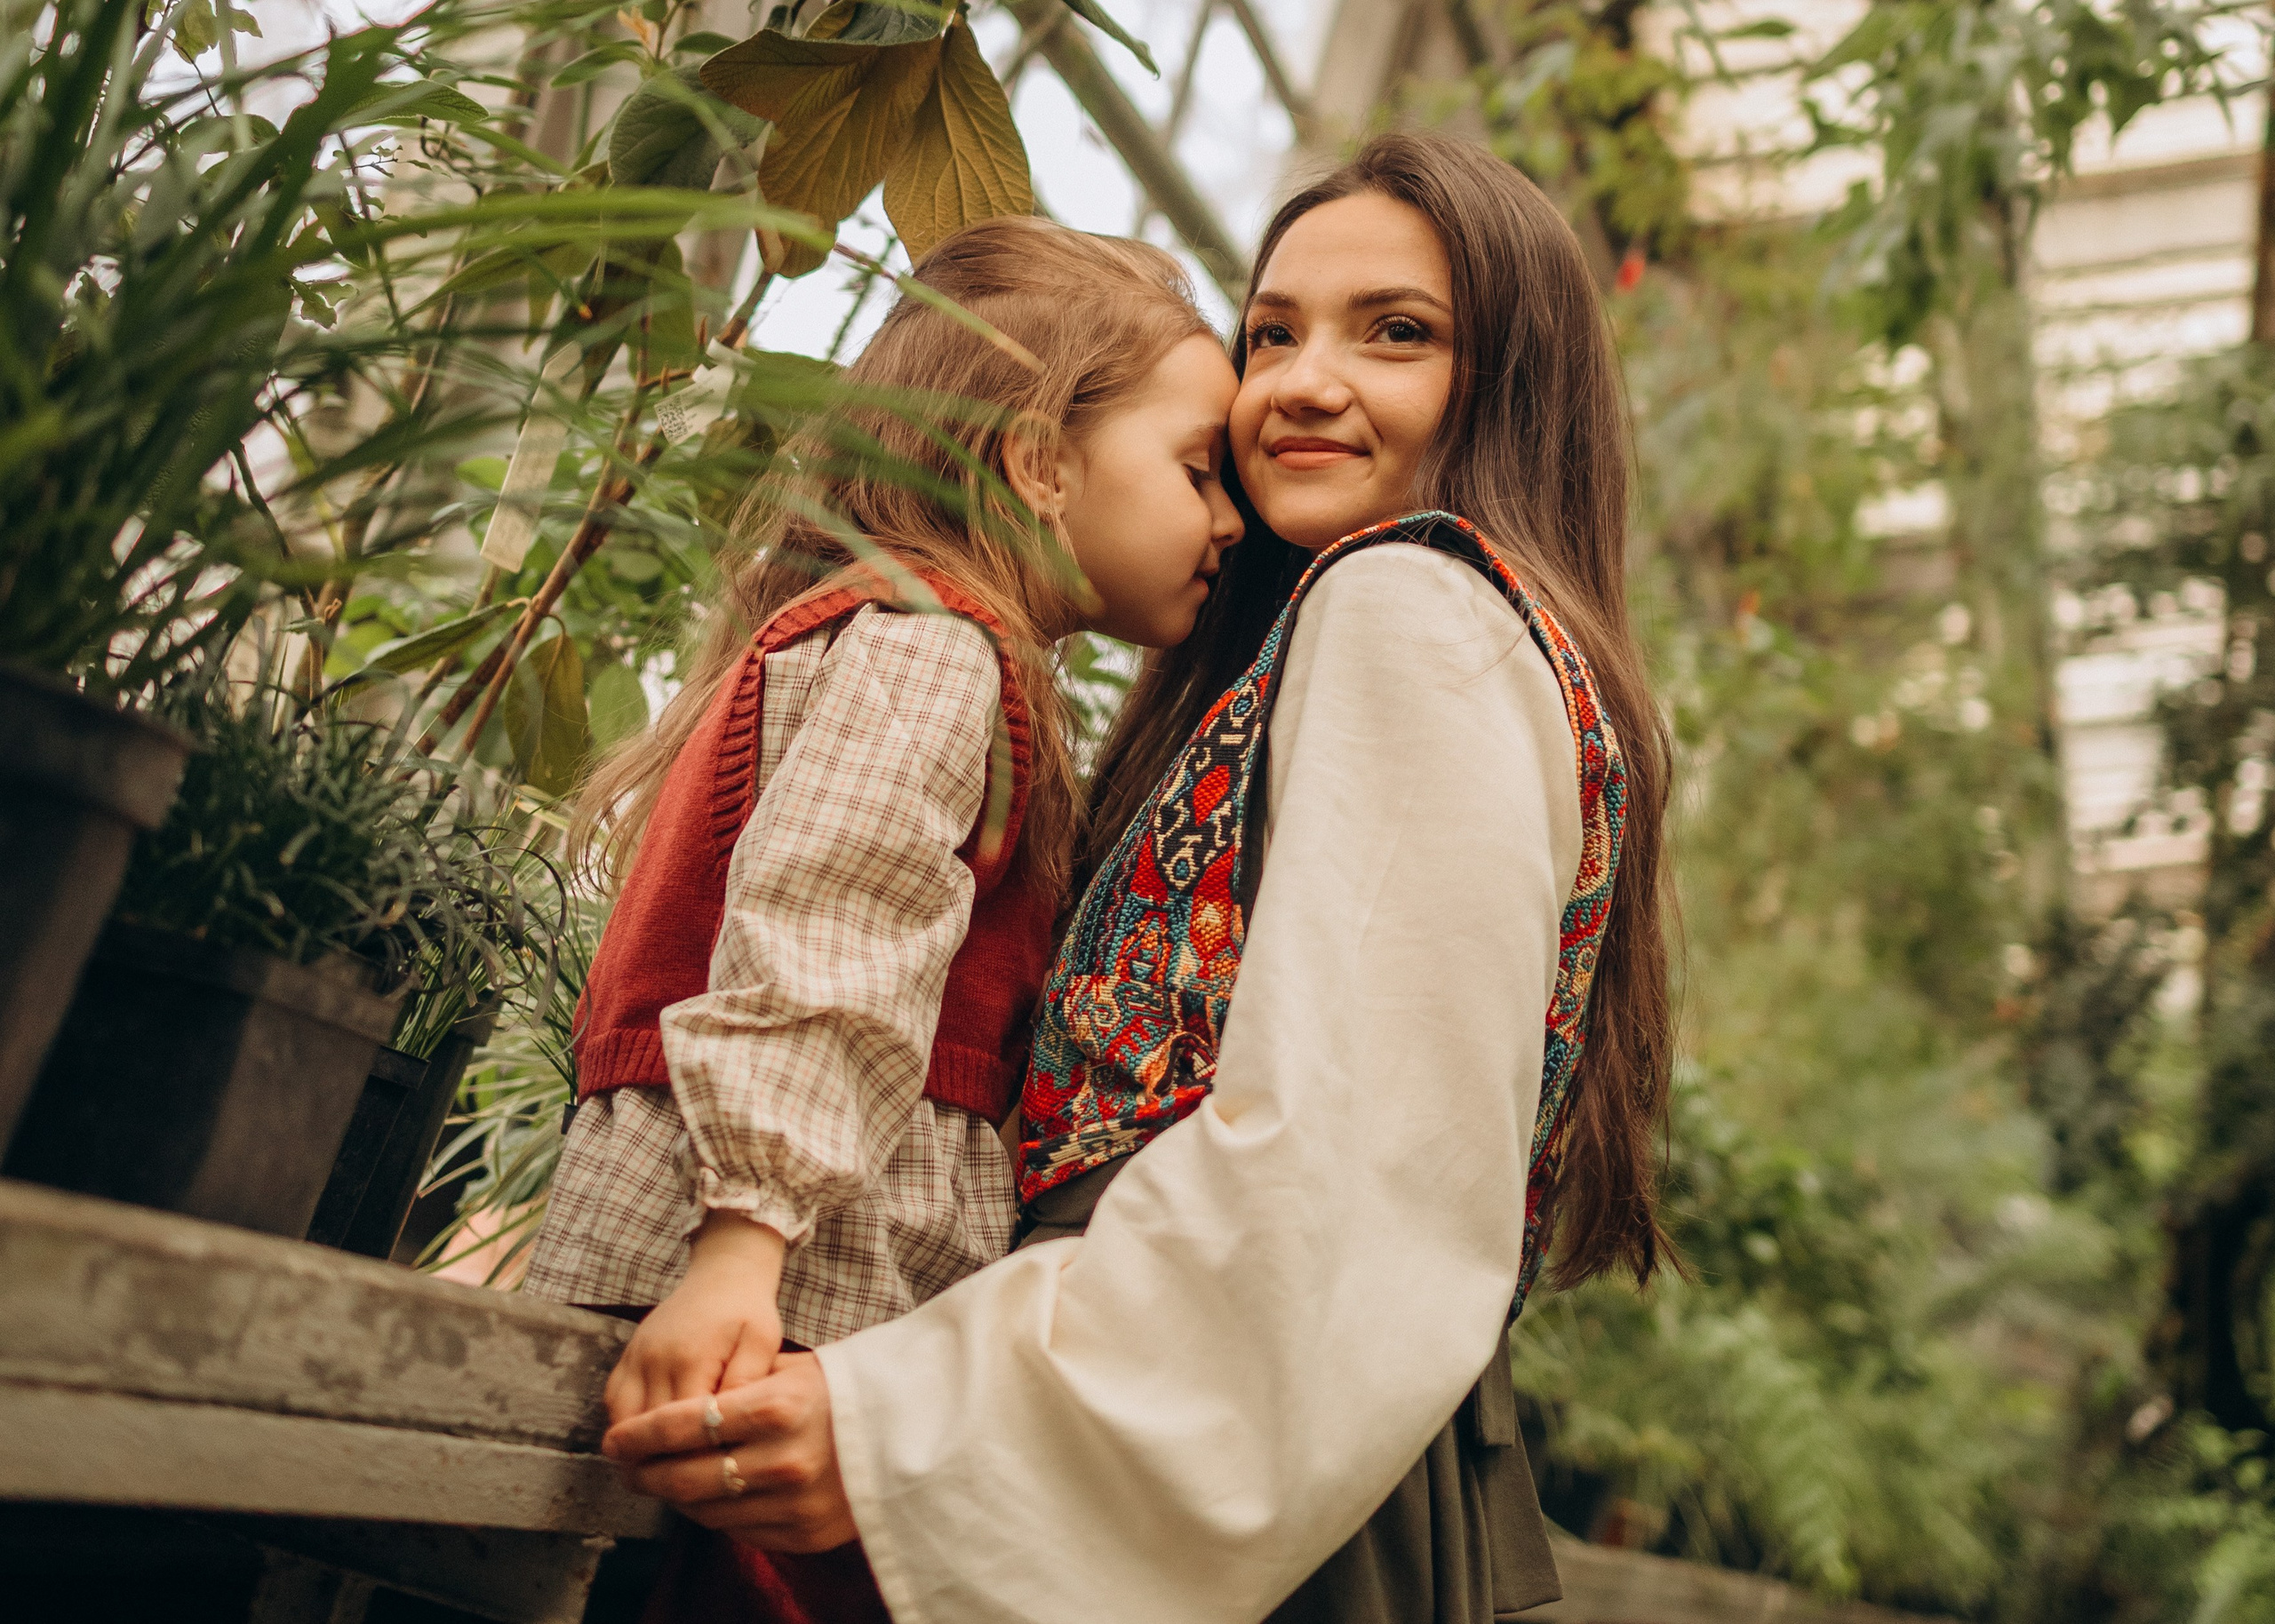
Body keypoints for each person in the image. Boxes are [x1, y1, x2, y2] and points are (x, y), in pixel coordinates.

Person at [603, 132, 1675, 1624]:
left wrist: (912, 1427)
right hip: (1225, 1431)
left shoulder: (1410, 605)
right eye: (1273, 332)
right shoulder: (1412, 634)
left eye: (1399, 334)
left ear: (1514, 384)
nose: (1301, 380)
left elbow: (1345, 1167)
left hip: (1186, 1434)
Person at [519, 215, 1241, 1617]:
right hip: (788, 1285)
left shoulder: (863, 635)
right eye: (1198, 471)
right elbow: (827, 945)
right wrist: (745, 1242)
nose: (1225, 521)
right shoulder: (934, 653)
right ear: (1039, 461)